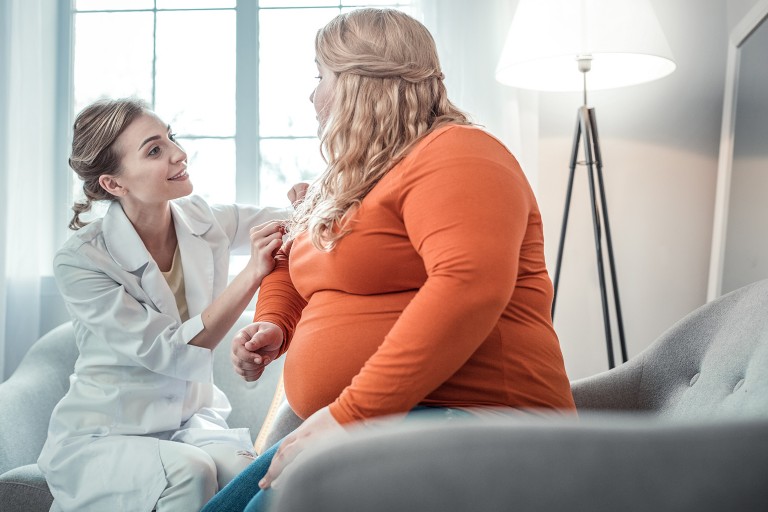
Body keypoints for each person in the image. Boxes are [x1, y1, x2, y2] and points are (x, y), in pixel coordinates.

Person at [204, 8, 576, 512]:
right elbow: (291, 262)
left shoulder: (459, 152)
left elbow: (468, 285)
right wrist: (275, 322)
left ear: (359, 83)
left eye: (320, 77)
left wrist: (351, 414)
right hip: (384, 419)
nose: (311, 96)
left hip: (480, 417)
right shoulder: (348, 181)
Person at [37, 98, 295, 512]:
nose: (178, 153)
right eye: (154, 150)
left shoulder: (201, 219)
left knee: (256, 478)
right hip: (110, 431)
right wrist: (252, 274)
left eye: (170, 137)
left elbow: (294, 219)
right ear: (114, 184)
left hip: (191, 422)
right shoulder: (82, 260)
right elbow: (171, 350)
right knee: (190, 471)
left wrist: (311, 196)